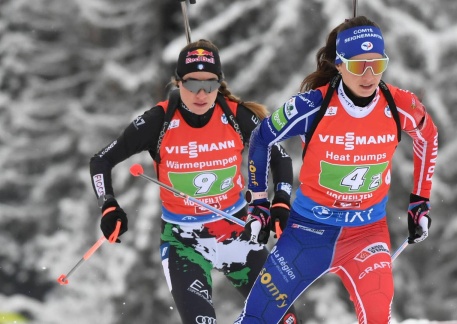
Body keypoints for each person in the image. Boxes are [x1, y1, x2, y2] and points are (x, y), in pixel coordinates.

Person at [235, 16, 439, 324]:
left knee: (377, 318)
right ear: (340, 64)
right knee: (256, 319)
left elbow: (429, 137)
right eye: (358, 66)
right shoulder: (311, 106)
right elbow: (261, 138)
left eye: (377, 64)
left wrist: (419, 202)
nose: (369, 75)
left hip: (367, 234)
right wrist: (260, 203)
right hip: (307, 234)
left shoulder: (399, 105)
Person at [89, 39, 300, 324]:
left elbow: (280, 157)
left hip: (236, 231)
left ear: (219, 83)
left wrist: (282, 202)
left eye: (210, 85)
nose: (201, 94)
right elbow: (101, 160)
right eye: (192, 85)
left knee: (285, 319)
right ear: (178, 83)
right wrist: (109, 205)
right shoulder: (158, 121)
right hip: (183, 242)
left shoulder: (236, 116)